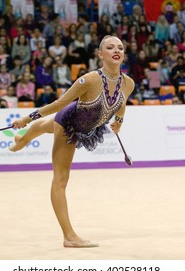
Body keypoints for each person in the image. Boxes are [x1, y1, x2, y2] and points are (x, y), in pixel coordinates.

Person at [9, 35, 135, 248]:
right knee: (60, 179)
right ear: (100, 54)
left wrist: (119, 122)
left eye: (120, 47)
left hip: (88, 126)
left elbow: (121, 103)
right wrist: (25, 118)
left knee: (48, 126)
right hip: (69, 123)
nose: (117, 50)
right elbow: (58, 104)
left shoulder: (128, 83)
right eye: (110, 47)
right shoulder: (89, 80)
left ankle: (23, 139)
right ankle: (69, 236)